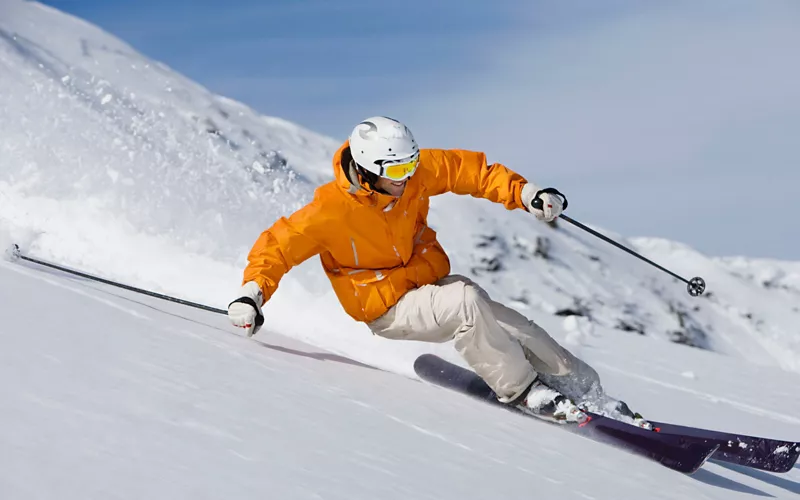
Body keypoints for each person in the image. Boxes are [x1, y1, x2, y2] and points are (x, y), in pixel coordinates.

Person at [228, 116, 646, 426]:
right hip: (383, 304)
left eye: (410, 165)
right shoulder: (329, 213)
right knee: (465, 303)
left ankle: (586, 391)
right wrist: (252, 294)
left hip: (424, 282)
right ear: (369, 172)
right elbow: (276, 247)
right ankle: (523, 392)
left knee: (516, 328)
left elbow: (471, 172)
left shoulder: (409, 177)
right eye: (395, 172)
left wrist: (526, 193)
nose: (407, 177)